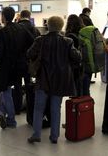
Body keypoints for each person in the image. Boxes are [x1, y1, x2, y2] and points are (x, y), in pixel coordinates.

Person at [27, 16, 82, 144]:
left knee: (38, 107)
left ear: (48, 26)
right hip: (61, 79)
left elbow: (29, 54)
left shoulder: (40, 40)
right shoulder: (67, 41)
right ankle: (54, 136)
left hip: (43, 78)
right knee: (56, 107)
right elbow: (77, 57)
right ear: (61, 27)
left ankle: (36, 134)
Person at [0, 7, 25, 129]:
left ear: (4, 17)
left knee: (5, 91)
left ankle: (11, 119)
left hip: (5, 66)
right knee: (6, 90)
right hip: (17, 65)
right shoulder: (20, 29)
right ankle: (1, 112)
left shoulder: (1, 32)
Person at [13, 10, 41, 113]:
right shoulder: (34, 29)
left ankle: (17, 108)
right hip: (30, 62)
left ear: (20, 16)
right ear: (29, 16)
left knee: (17, 85)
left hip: (17, 61)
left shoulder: (15, 28)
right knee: (29, 84)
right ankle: (30, 106)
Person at [65, 14, 84, 96]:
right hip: (82, 63)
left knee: (74, 87)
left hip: (73, 65)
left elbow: (70, 52)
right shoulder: (83, 32)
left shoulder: (70, 36)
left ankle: (75, 106)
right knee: (81, 86)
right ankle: (83, 105)